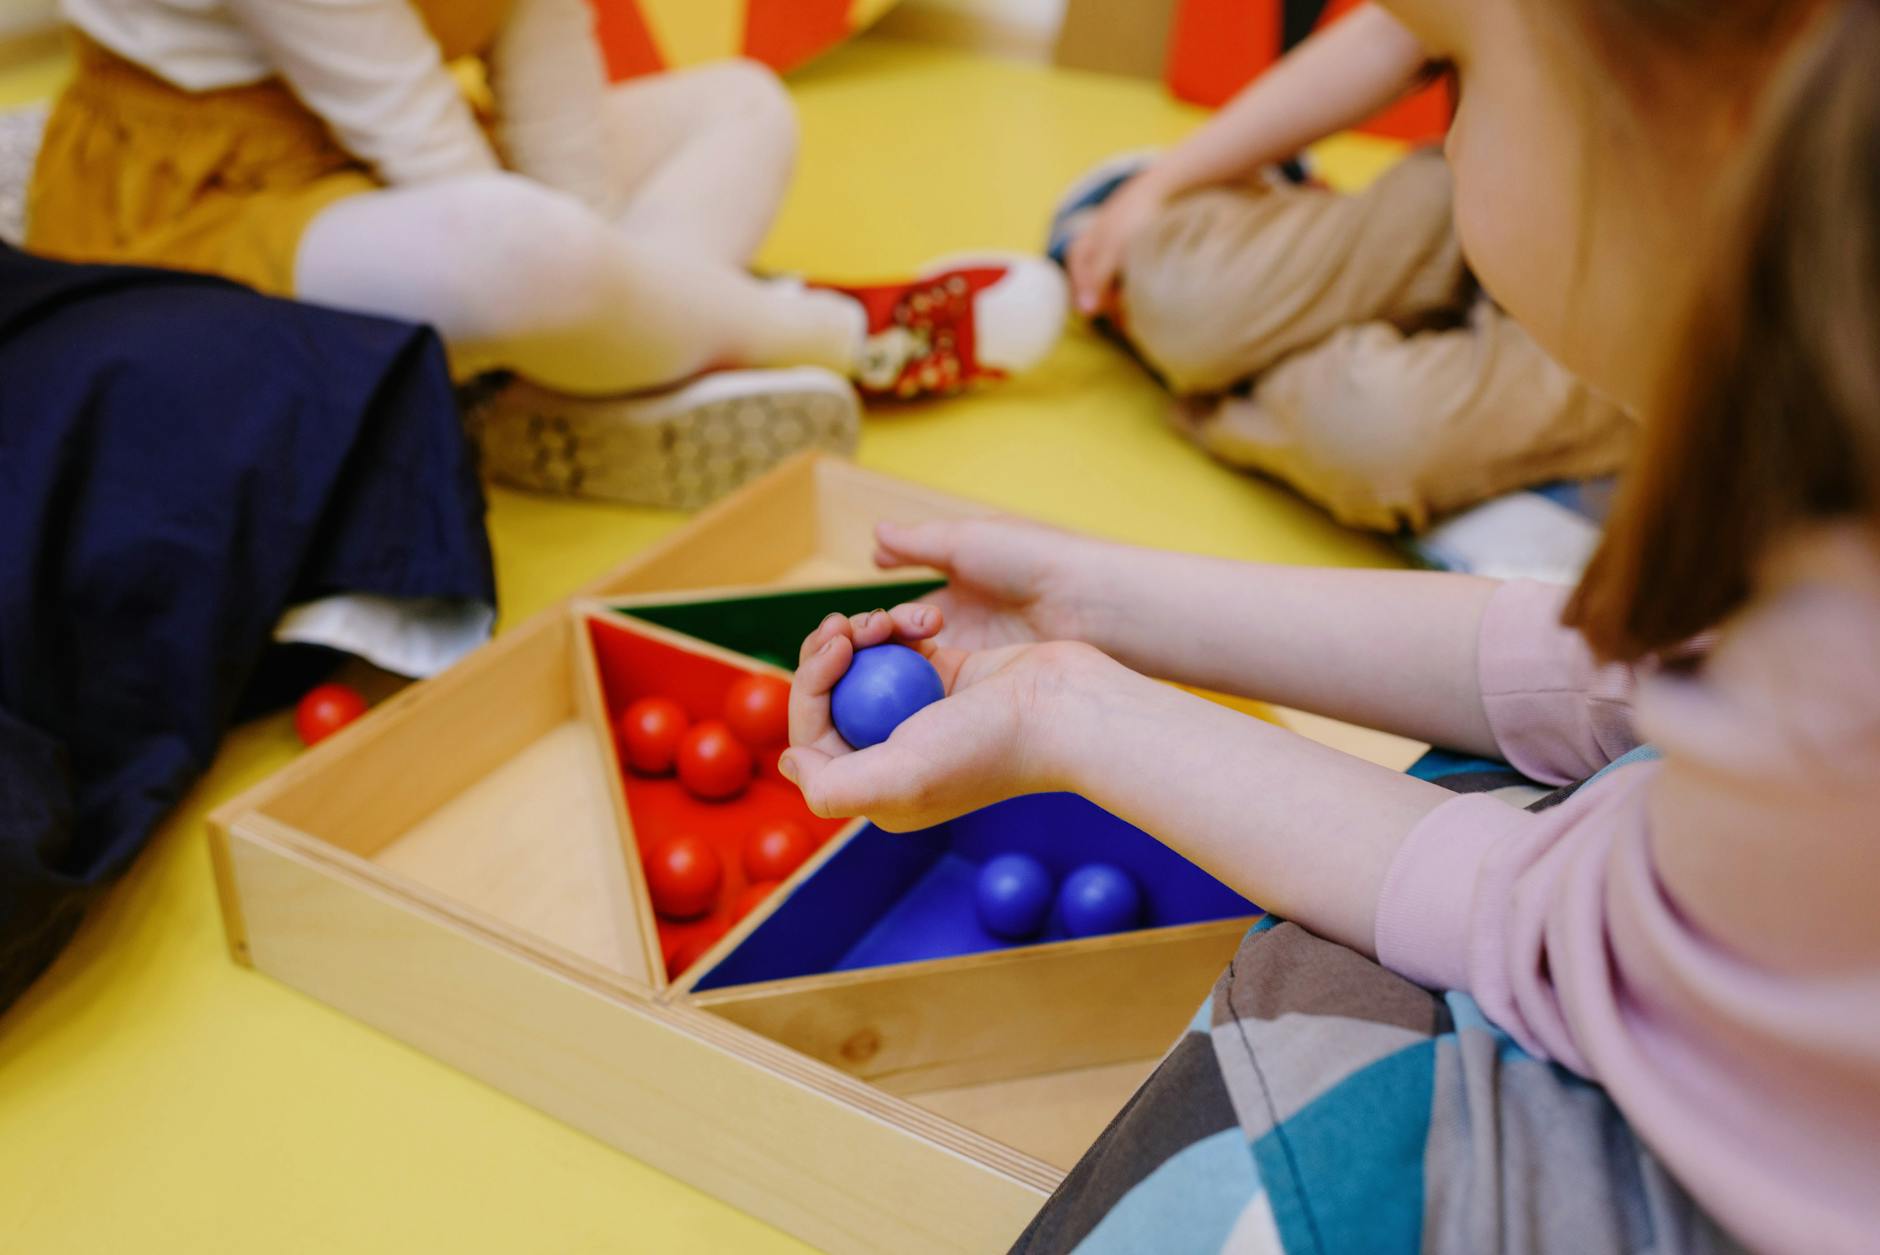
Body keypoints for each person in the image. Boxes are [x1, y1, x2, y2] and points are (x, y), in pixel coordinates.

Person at [785, 0, 1879, 1249]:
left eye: (1461, 74)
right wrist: (1088, 604)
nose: (1442, 134)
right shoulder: (1813, 472)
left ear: (1714, 137)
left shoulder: (1831, 648)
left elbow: (1551, 936)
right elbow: (1594, 673)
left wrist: (1067, 708)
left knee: (1248, 1132)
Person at [24, 0, 1066, 506]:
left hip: (386, 151)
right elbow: (421, 143)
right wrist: (583, 273)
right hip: (209, 188)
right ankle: (838, 331)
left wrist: (604, 280)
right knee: (518, 246)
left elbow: (545, 63)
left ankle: (571, 394)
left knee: (742, 106)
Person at [1046, 4, 1632, 531]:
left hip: (1625, 315)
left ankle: (1230, 379)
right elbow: (1392, 33)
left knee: (1372, 433)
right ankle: (1248, 324)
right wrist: (1159, 185)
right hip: (1467, 210)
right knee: (1179, 297)